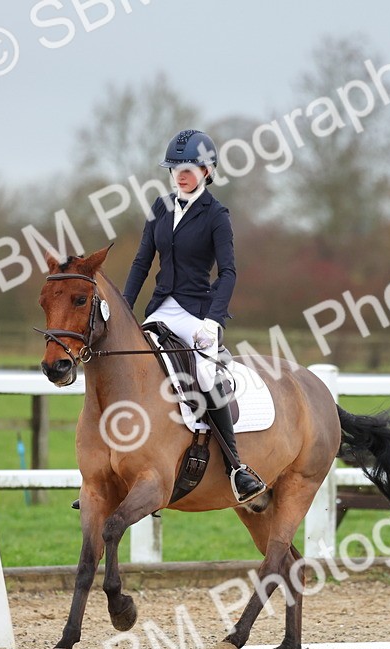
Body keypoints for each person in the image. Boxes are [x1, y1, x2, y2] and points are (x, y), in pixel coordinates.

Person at [122, 129, 267, 503]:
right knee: (126, 366)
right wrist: (124, 308)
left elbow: (228, 272)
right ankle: (113, 468)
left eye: (188, 168)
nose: (181, 175)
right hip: (159, 309)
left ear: (207, 170)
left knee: (204, 373)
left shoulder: (216, 214)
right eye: (175, 168)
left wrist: (214, 319)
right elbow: (141, 263)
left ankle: (236, 466)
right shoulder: (160, 207)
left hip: (196, 313)